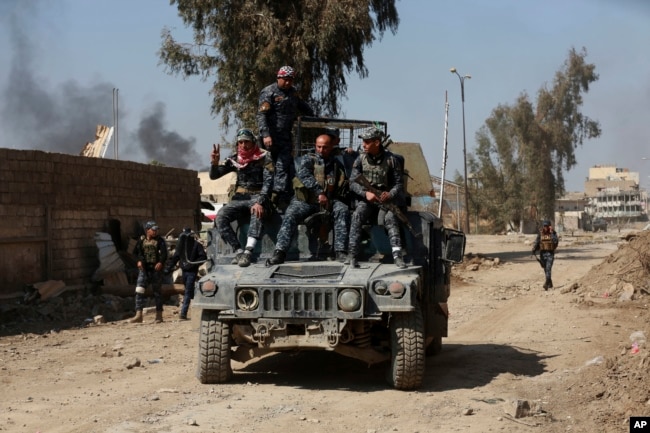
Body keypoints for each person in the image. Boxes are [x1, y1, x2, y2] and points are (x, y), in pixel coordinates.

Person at [266, 134, 349, 265]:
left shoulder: (336, 162)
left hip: (328, 202)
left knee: (342, 210)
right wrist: (319, 192)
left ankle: (340, 251)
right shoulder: (308, 159)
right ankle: (280, 252)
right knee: (290, 214)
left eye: (325, 147)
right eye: (319, 147)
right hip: (305, 201)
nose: (321, 150)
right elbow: (304, 174)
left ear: (331, 147)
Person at [210, 128, 274, 267]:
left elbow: (269, 182)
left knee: (256, 213)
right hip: (240, 198)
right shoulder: (235, 159)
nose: (243, 145)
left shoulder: (264, 157)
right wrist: (214, 164)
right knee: (221, 217)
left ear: (253, 142)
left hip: (258, 196)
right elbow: (214, 176)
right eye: (240, 142)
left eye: (247, 142)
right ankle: (238, 250)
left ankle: (248, 251)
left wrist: (260, 201)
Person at [347, 127, 407, 269]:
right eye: (363, 142)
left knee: (390, 219)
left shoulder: (391, 160)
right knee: (357, 215)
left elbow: (399, 184)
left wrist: (390, 194)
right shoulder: (360, 159)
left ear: (377, 142)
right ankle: (352, 255)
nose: (364, 145)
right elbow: (352, 182)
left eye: (367, 142)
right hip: (368, 198)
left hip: (386, 200)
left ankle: (398, 256)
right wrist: (365, 194)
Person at [256, 66, 315, 207]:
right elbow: (261, 115)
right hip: (271, 137)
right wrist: (266, 135)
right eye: (286, 80)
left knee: (285, 166)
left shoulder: (293, 93)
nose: (288, 83)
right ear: (279, 78)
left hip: (285, 137)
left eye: (291, 80)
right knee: (270, 167)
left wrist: (314, 117)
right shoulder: (269, 92)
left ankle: (281, 196)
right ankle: (271, 195)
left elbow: (303, 106)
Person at [129, 220, 168, 323]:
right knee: (139, 291)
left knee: (157, 293)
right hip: (144, 270)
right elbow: (135, 253)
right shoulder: (141, 241)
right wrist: (138, 261)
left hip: (155, 270)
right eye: (153, 230)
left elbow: (164, 254)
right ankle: (138, 315)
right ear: (147, 230)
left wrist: (160, 262)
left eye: (156, 230)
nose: (155, 232)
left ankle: (159, 315)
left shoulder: (160, 241)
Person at [165, 228, 206, 320]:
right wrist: (168, 269)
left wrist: (193, 263)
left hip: (192, 271)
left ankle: (183, 313)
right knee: (189, 291)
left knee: (188, 291)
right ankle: (198, 306)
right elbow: (175, 258)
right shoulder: (181, 246)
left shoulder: (196, 245)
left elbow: (203, 257)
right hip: (184, 271)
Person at [532, 220, 559, 289]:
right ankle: (550, 283)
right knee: (545, 269)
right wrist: (534, 249)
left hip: (550, 254)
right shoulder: (541, 233)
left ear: (549, 226)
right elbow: (537, 242)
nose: (545, 227)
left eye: (547, 226)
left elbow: (555, 242)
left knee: (548, 269)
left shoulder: (553, 233)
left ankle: (546, 283)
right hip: (542, 254)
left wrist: (552, 233)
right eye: (544, 226)